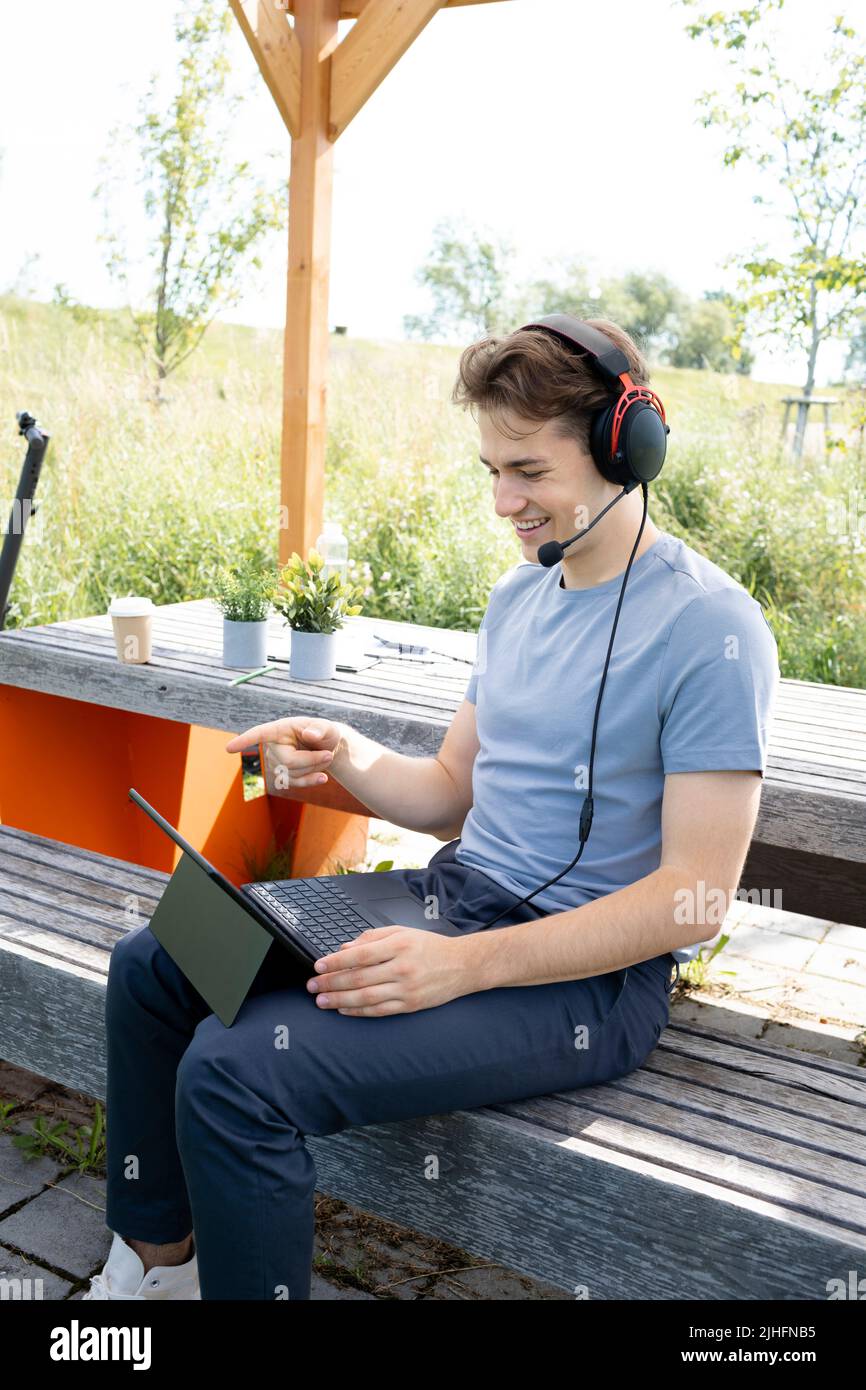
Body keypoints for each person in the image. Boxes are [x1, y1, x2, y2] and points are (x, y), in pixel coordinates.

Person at [87, 317, 779, 1301]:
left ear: (624, 448)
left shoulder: (711, 627)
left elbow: (692, 901)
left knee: (233, 1072)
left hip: (588, 982)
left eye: (529, 472)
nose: (503, 502)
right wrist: (344, 752)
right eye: (491, 470)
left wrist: (462, 966)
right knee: (154, 963)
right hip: (453, 900)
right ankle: (158, 1265)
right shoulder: (518, 600)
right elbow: (451, 792)